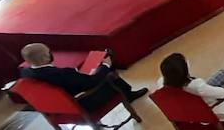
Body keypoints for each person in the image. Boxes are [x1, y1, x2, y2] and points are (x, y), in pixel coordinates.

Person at [20, 43, 148, 108]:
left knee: (99, 70)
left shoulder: (26, 73)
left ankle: (127, 93)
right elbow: (92, 82)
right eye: (49, 52)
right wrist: (105, 65)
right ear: (45, 57)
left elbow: (69, 79)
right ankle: (128, 95)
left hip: (64, 103)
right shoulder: (61, 73)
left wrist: (76, 74)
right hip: (85, 101)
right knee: (108, 73)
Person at [157, 53, 224, 122]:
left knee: (223, 73)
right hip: (211, 109)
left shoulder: (163, 84)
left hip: (192, 109)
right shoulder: (197, 86)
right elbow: (223, 93)